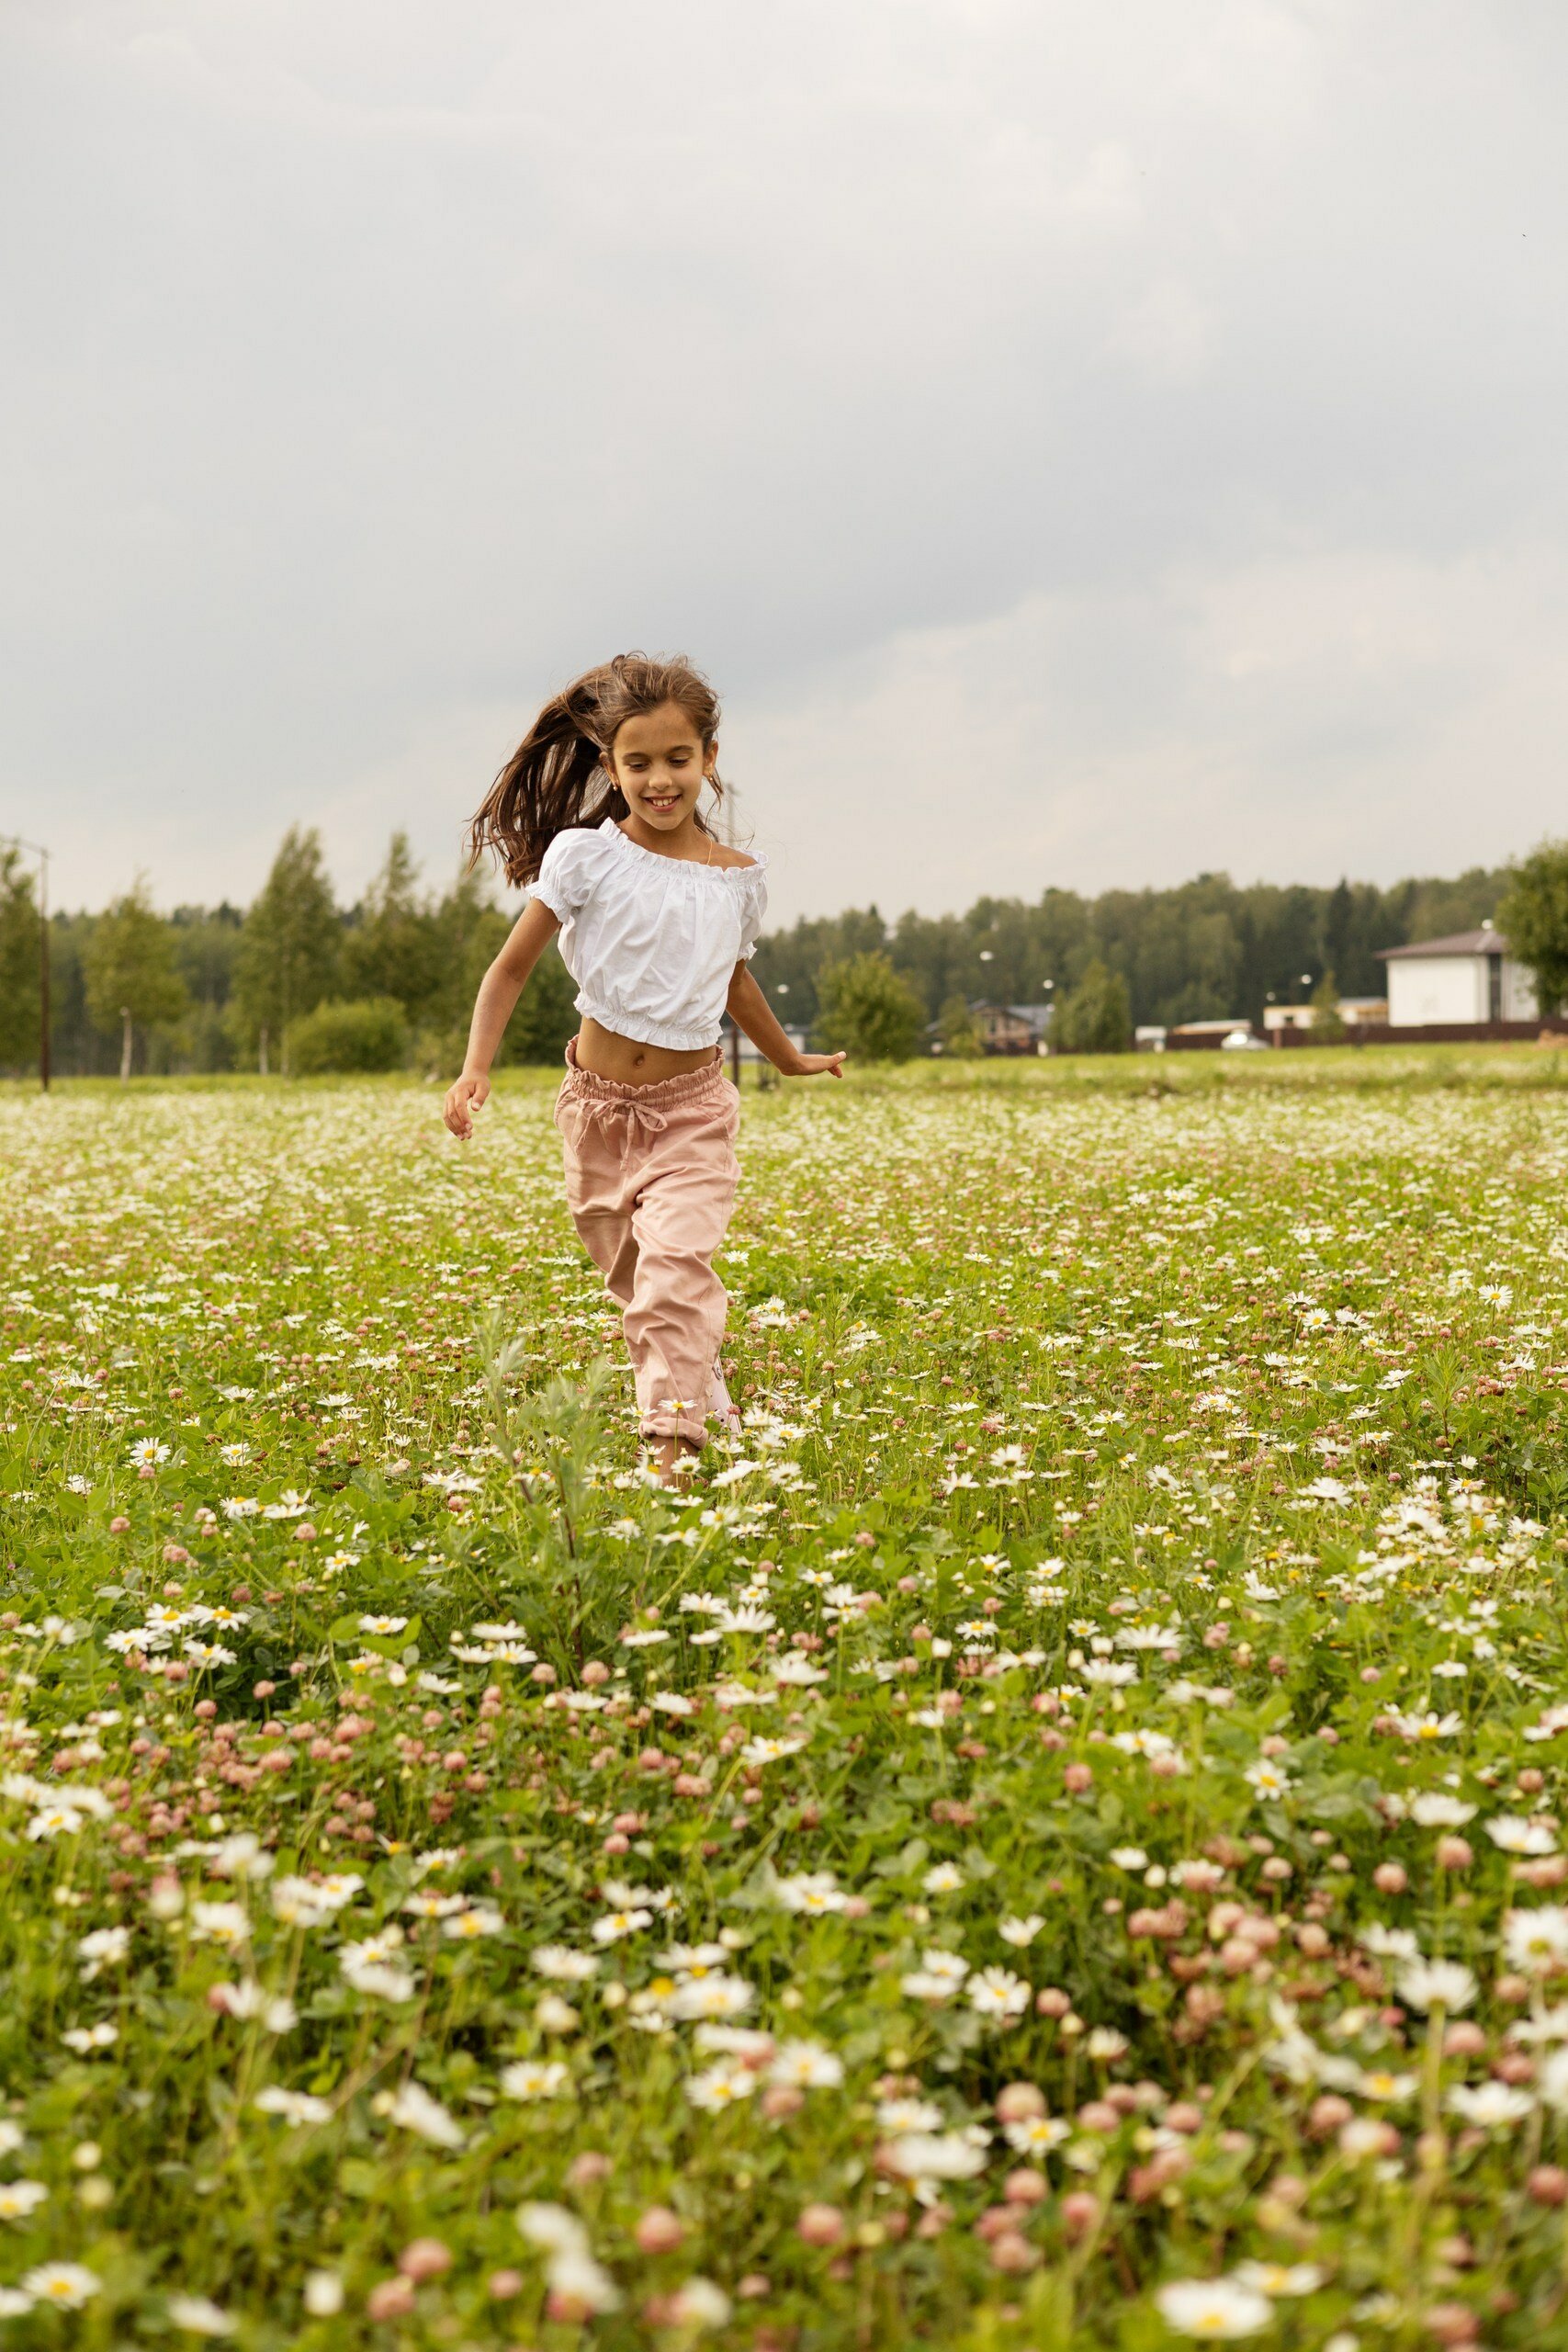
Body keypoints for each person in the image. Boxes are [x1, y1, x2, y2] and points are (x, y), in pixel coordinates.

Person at [444, 652, 846, 1484]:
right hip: (592, 1113)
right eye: (638, 763)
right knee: (637, 1287)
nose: (660, 780)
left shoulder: (736, 882)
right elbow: (510, 968)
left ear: (708, 761)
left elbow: (733, 979)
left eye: (677, 760)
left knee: (672, 1274)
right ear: (610, 766)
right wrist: (474, 1067)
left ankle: (669, 1451)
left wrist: (789, 1058)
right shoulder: (586, 858)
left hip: (691, 1110)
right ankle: (704, 1388)